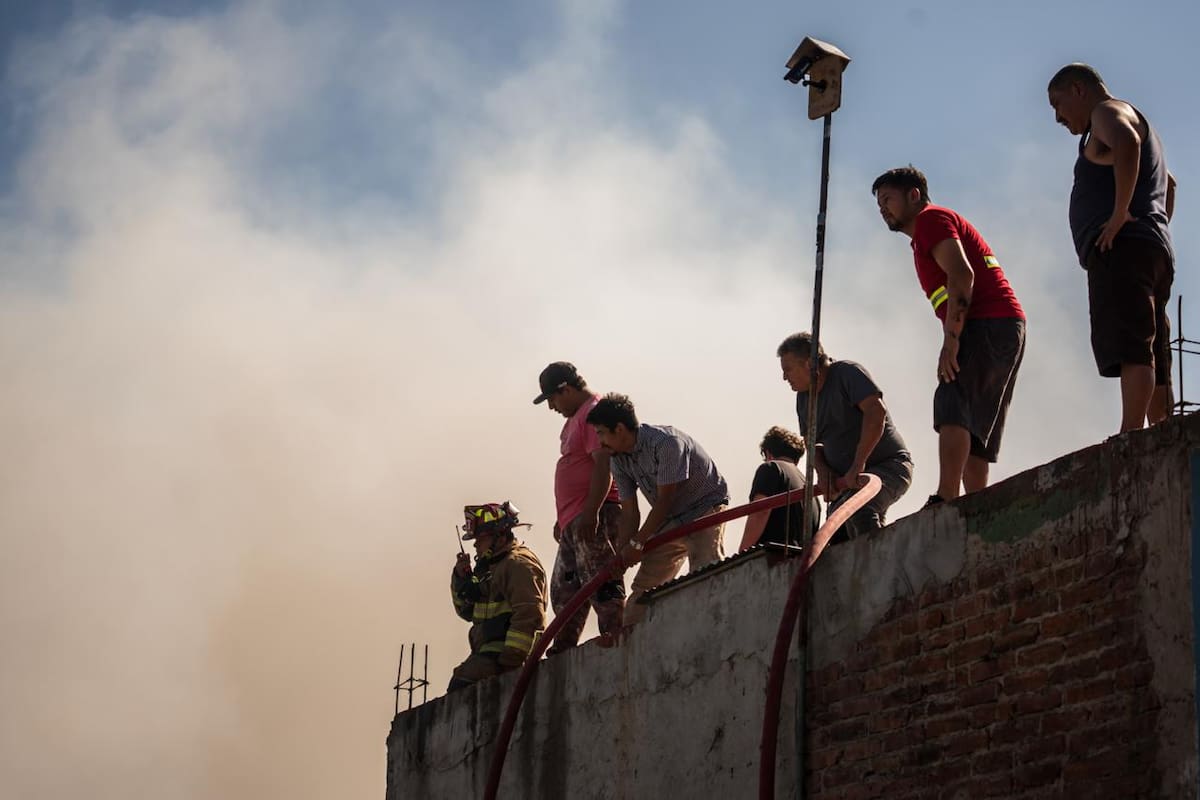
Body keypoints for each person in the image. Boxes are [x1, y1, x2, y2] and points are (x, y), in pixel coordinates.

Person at [871, 166, 1026, 507]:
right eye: (879, 203)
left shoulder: (930, 220)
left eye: (888, 199)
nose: (882, 208)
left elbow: (961, 274)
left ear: (914, 195)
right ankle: (975, 502)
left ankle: (947, 497)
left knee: (953, 402)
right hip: (1003, 325)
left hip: (984, 323)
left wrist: (952, 340)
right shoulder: (926, 232)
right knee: (976, 420)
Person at [1047, 63, 1177, 433]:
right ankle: (1161, 427)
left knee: (1133, 343)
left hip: (1124, 249)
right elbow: (1169, 184)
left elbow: (1126, 142)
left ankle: (1131, 433)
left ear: (1078, 89)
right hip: (1149, 248)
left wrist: (1121, 215)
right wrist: (1156, 227)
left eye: (1058, 104)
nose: (1058, 116)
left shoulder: (1107, 111)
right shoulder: (1136, 121)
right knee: (1151, 343)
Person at [585, 393, 730, 625]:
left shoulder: (667, 443)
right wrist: (621, 556)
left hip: (704, 508)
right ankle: (630, 638)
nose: (600, 441)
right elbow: (630, 513)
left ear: (620, 429)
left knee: (705, 570)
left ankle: (716, 624)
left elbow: (665, 501)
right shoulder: (618, 460)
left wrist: (637, 544)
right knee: (643, 590)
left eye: (601, 433)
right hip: (671, 520)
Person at [777, 333, 913, 541]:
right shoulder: (804, 399)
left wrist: (857, 465)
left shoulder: (847, 373)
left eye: (788, 370)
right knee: (834, 533)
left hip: (889, 467)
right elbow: (812, 444)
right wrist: (823, 472)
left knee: (858, 509)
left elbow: (876, 414)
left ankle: (877, 565)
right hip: (848, 483)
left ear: (808, 364)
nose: (785, 377)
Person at [532, 362, 625, 651]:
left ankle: (615, 634)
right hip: (576, 517)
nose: (551, 407)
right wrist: (565, 517)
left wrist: (592, 511)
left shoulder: (593, 413)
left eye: (552, 399)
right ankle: (564, 643)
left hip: (595, 513)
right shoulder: (574, 419)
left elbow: (603, 465)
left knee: (600, 576)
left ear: (566, 389)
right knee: (565, 586)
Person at [448, 502, 548, 692]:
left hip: (506, 657)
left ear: (500, 537)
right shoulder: (490, 568)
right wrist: (461, 579)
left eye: (481, 538)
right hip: (487, 654)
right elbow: (466, 612)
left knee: (461, 685)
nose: (476, 544)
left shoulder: (518, 565)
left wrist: (509, 663)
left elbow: (529, 614)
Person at [738, 426, 820, 552]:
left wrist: (742, 553)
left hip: (770, 559)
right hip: (798, 561)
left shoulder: (771, 468)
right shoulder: (811, 490)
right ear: (797, 459)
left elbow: (760, 511)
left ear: (768, 453)